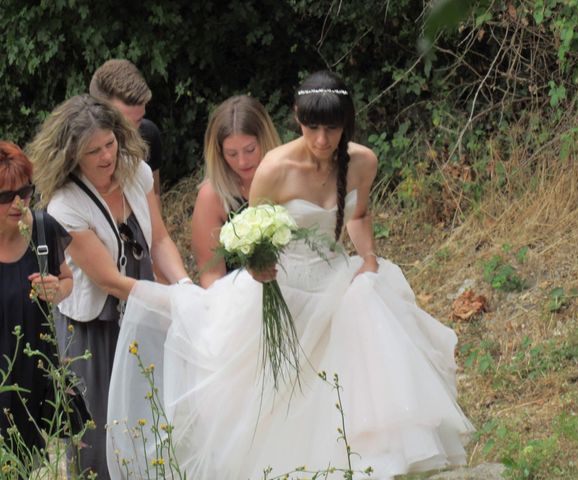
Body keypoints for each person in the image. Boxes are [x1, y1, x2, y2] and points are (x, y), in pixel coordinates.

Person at [107, 71, 474, 479]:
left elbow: (360, 214)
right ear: (297, 119)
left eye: (331, 129)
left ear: (346, 123)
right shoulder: (275, 168)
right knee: (275, 391)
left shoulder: (363, 161)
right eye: (311, 128)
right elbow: (256, 236)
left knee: (366, 325)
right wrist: (256, 266)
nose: (321, 140)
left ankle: (370, 453)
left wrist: (368, 257)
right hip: (285, 282)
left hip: (337, 277)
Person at [26, 94, 192, 479]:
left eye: (109, 144)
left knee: (149, 417)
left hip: (145, 310)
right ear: (71, 156)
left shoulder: (138, 173)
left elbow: (161, 240)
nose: (106, 157)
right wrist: (168, 301)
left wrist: (182, 285)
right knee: (97, 435)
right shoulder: (64, 205)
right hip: (93, 329)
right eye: (92, 151)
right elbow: (108, 280)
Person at [0, 141, 73, 466]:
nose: (18, 203)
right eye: (6, 197)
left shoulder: (42, 229)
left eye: (25, 192)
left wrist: (57, 290)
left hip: (29, 379)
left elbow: (67, 281)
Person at [191, 95, 281, 287]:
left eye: (250, 149)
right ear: (219, 154)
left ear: (264, 140)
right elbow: (211, 275)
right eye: (232, 154)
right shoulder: (212, 196)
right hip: (237, 297)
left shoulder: (286, 177)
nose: (242, 162)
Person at [89, 59, 163, 206]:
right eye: (123, 123)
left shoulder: (148, 134)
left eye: (139, 120)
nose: (133, 132)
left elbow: (154, 195)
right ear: (98, 112)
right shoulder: (76, 155)